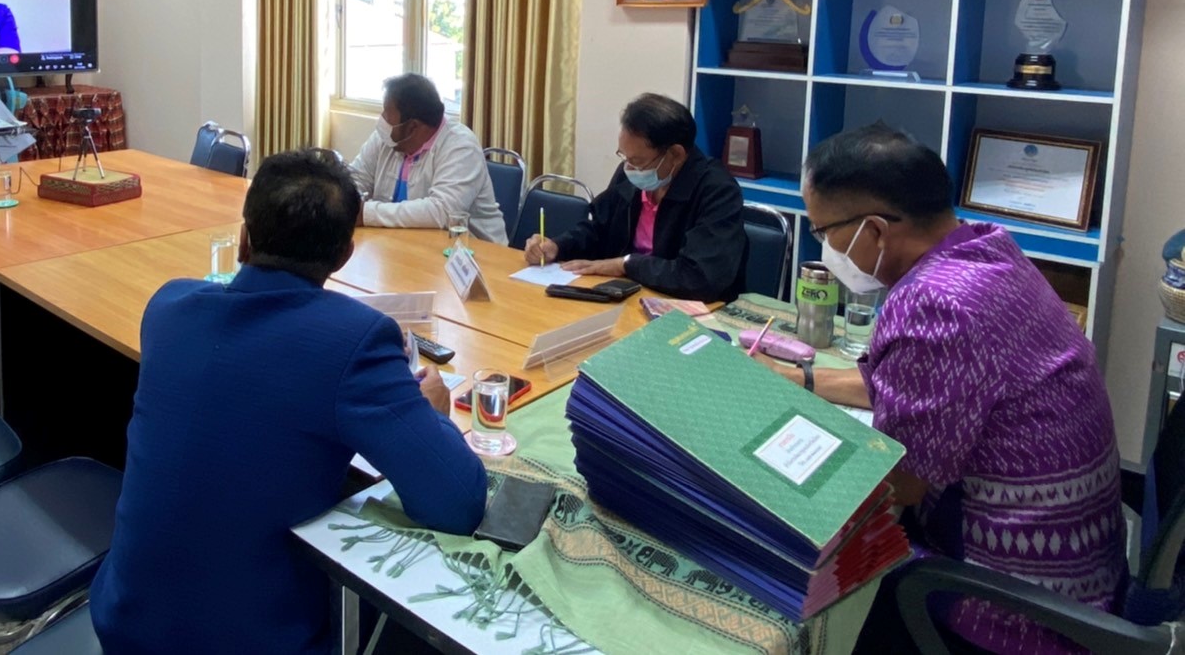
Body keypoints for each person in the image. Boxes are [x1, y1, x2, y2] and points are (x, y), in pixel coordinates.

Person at [90, 149, 487, 654]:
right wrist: (434, 414)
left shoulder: (168, 307)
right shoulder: (355, 340)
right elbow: (458, 503)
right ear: (344, 255)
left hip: (123, 621)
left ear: (243, 238)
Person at [757, 125, 1122, 655]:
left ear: (875, 231)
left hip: (1013, 608)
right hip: (1085, 575)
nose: (825, 249)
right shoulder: (984, 250)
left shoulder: (935, 303)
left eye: (823, 233)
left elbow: (899, 486)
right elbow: (907, 385)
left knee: (785, 569)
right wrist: (800, 380)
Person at [525, 93, 746, 301]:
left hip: (689, 308)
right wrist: (557, 246)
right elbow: (599, 229)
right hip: (628, 296)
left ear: (676, 154)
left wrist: (626, 265)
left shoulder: (717, 190)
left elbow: (699, 277)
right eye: (625, 157)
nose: (629, 168)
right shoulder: (631, 173)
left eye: (638, 161)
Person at [349, 73, 507, 244]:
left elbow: (442, 211)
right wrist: (348, 200)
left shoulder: (461, 146)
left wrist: (366, 213)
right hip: (404, 246)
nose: (382, 120)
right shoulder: (386, 138)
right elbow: (355, 179)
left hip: (473, 256)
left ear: (412, 126)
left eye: (387, 115)